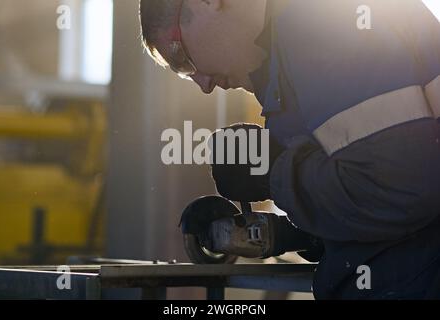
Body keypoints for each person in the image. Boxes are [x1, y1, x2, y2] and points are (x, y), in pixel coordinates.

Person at [139, 0, 440, 299]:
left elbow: (400, 190)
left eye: (180, 58)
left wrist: (275, 172)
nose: (202, 83)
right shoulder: (285, 58)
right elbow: (380, 212)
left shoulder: (323, 23)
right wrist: (278, 234)